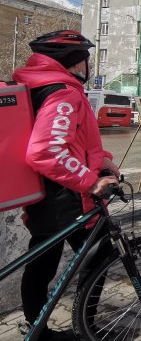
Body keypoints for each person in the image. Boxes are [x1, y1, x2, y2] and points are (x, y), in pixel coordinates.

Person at [12, 30, 119, 340]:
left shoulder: (38, 85)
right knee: (99, 256)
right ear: (74, 62)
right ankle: (85, 329)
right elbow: (45, 151)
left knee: (42, 263)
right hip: (68, 196)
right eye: (86, 59)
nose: (89, 65)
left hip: (44, 193)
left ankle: (37, 329)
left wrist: (103, 161)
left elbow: (74, 141)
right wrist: (92, 182)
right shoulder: (63, 93)